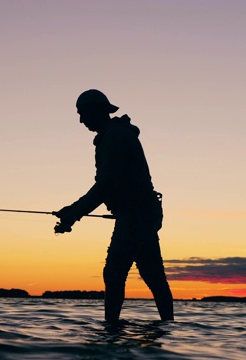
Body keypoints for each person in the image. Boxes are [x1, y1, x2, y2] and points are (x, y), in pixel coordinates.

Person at [54, 89, 174, 325]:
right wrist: (72, 209)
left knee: (115, 273)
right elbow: (109, 186)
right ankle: (167, 329)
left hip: (137, 216)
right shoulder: (116, 135)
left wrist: (73, 215)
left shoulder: (114, 137)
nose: (81, 120)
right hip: (141, 214)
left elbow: (106, 185)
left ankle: (111, 331)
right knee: (152, 275)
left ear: (97, 110)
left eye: (82, 114)